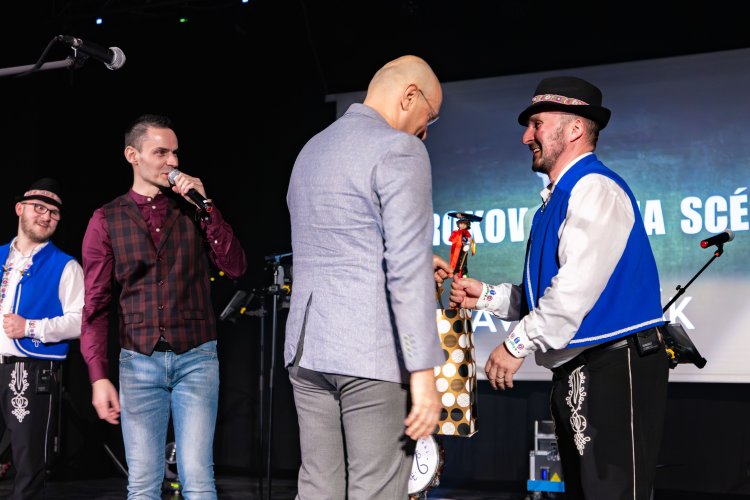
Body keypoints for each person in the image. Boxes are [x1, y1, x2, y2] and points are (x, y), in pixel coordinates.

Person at [448, 76, 670, 499]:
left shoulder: (594, 188)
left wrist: (515, 344)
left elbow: (572, 293)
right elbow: (548, 292)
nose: (525, 137)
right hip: (584, 369)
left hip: (613, 367)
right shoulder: (561, 195)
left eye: (537, 124)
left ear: (574, 129)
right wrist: (488, 297)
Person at [285, 54, 445, 500]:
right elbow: (406, 267)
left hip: (307, 351)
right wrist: (423, 371)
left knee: (317, 488)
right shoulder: (400, 149)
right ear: (409, 96)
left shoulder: (311, 149)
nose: (426, 130)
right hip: (369, 354)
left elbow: (342, 242)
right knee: (376, 491)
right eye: (430, 115)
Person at [79, 114, 247, 499]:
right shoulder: (106, 219)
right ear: (132, 155)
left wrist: (207, 208)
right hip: (138, 361)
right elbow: (96, 306)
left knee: (198, 480)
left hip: (197, 356)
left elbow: (236, 267)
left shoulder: (193, 210)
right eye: (161, 153)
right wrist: (98, 375)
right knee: (142, 484)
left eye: (175, 153)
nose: (172, 162)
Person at [0, 177, 84, 499]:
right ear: (19, 209)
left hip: (28, 368)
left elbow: (81, 321)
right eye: (39, 207)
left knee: (28, 463)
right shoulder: (0, 256)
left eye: (54, 212)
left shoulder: (65, 266)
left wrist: (31, 328)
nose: (46, 216)